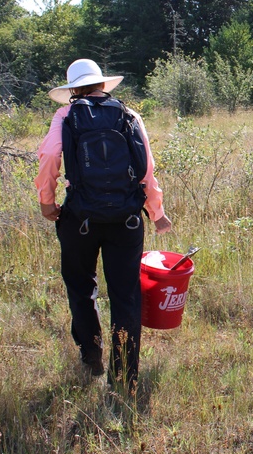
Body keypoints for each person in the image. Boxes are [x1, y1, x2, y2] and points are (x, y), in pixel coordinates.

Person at [35, 59, 172, 393]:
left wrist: (47, 202)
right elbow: (146, 170)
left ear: (73, 89)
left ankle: (91, 357)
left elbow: (51, 156)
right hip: (125, 220)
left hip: (80, 218)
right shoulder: (128, 115)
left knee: (81, 288)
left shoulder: (66, 116)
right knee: (126, 295)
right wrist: (157, 212)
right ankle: (124, 375)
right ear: (101, 84)